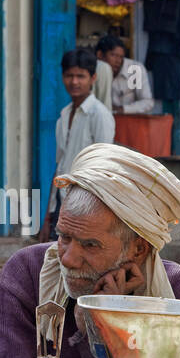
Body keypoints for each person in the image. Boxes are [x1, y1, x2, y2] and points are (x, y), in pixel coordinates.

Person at [0, 143, 180, 358]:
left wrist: (109, 333)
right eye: (64, 237)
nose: (68, 259)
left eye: (90, 245)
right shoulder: (26, 272)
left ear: (138, 250)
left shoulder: (179, 293)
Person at [40, 49, 116, 239]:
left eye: (80, 76)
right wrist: (48, 216)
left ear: (93, 78)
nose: (74, 82)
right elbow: (60, 164)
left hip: (86, 207)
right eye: (69, 76)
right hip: (62, 203)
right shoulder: (64, 115)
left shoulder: (99, 115)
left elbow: (104, 167)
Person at [96, 33, 154, 114]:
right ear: (100, 55)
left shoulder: (134, 69)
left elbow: (147, 102)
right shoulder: (93, 70)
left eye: (121, 57)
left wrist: (122, 109)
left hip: (129, 121)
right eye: (113, 55)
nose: (118, 61)